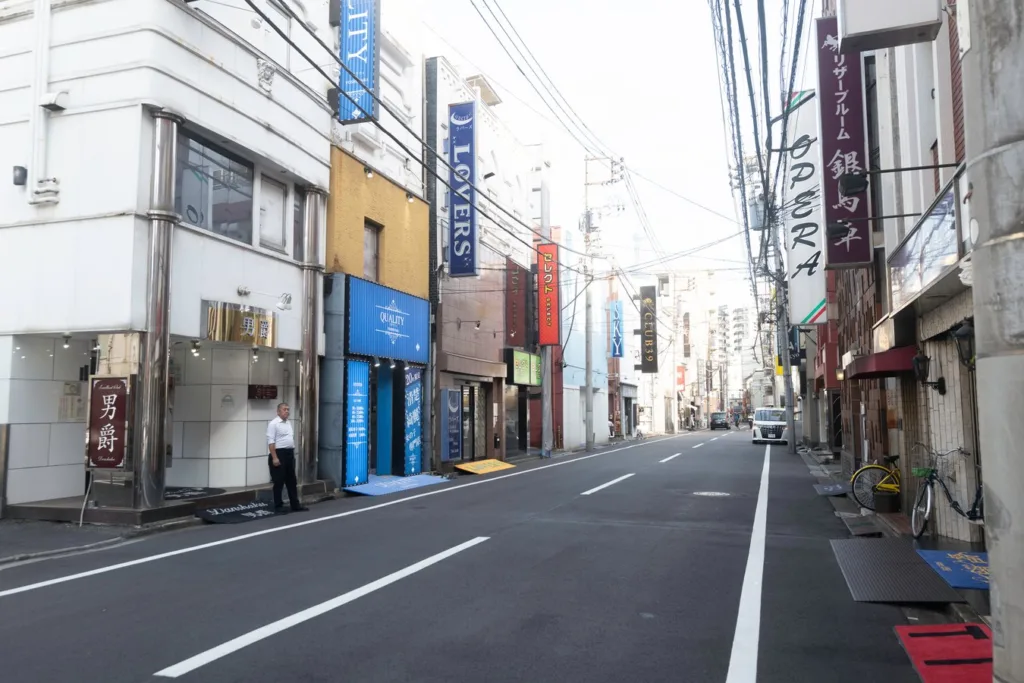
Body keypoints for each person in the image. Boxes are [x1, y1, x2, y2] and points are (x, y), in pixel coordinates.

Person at [267, 402, 308, 513]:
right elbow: (271, 442)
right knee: (279, 481)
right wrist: (275, 458)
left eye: (288, 409)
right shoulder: (273, 424)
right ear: (278, 411)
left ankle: (295, 504)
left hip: (289, 453)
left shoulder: (288, 423)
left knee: (292, 480)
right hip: (279, 453)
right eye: (284, 409)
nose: (287, 411)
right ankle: (278, 505)